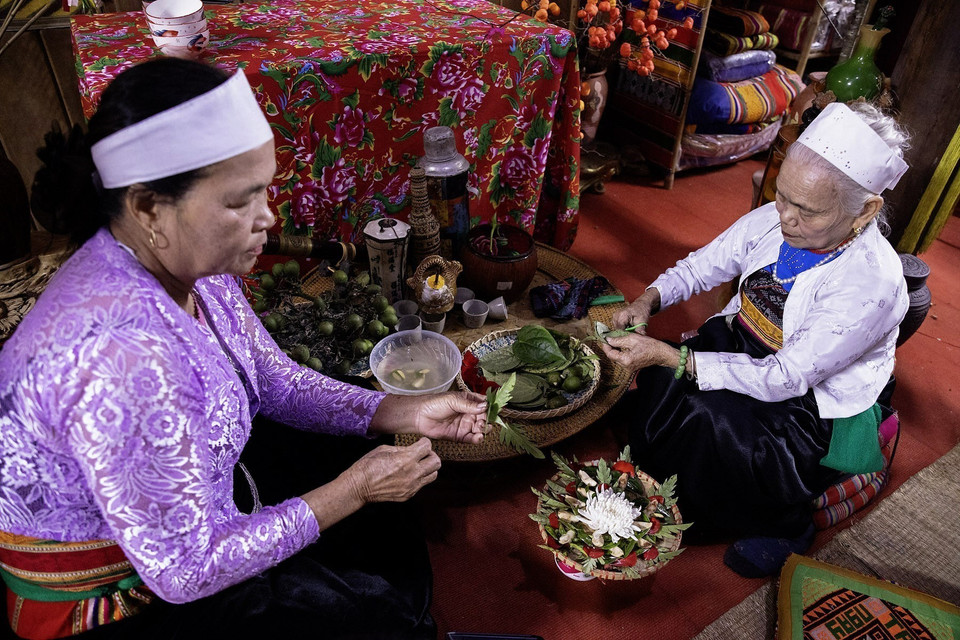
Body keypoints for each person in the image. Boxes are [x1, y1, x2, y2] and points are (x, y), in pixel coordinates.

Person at [0, 58, 489, 639]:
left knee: (373, 475)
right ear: (149, 207)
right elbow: (185, 571)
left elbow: (274, 379)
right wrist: (353, 490)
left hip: (186, 497)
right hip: (115, 589)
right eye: (240, 202)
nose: (268, 219)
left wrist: (402, 410)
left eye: (265, 191)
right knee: (372, 612)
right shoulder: (123, 356)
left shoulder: (189, 263)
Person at [601, 101, 910, 578]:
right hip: (748, 344)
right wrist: (648, 301)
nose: (784, 217)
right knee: (664, 384)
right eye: (781, 196)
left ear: (865, 210)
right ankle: (663, 477)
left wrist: (672, 355)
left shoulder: (871, 282)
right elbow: (706, 264)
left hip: (810, 402)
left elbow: (787, 377)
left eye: (806, 211)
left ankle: (786, 523)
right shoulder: (777, 217)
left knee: (709, 419)